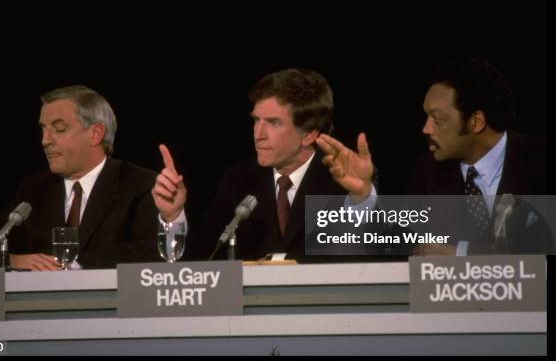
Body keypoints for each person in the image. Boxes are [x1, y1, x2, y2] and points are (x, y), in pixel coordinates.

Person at [319, 58, 551, 255]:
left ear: (476, 122)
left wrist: (460, 254)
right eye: (426, 116)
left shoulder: (539, 160)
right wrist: (362, 196)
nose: (426, 129)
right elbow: (399, 243)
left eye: (437, 119)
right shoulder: (427, 171)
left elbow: (539, 249)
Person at [151, 68, 377, 261]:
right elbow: (202, 261)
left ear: (309, 134)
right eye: (256, 120)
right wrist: (173, 216)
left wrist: (362, 198)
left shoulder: (343, 178)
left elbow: (383, 250)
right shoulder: (239, 179)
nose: (258, 134)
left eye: (273, 123)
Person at [0, 85, 161, 270]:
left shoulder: (141, 184)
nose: (45, 140)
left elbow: (156, 250)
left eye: (59, 129)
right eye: (43, 129)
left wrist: (73, 266)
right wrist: (10, 260)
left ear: (95, 133)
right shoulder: (34, 190)